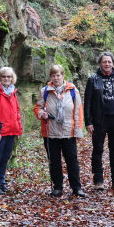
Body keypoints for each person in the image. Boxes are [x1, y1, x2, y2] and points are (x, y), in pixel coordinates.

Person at [34, 65, 86, 198]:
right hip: (50, 132)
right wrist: (41, 114)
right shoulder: (45, 91)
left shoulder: (73, 91)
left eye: (58, 75)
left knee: (72, 161)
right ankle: (57, 187)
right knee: (54, 161)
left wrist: (78, 131)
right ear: (51, 77)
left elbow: (78, 112)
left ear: (63, 75)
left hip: (68, 132)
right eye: (53, 75)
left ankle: (76, 187)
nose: (56, 78)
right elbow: (37, 108)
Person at [84, 51, 114, 190]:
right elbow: (88, 102)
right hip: (100, 121)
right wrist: (88, 121)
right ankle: (98, 182)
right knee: (97, 151)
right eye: (104, 61)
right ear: (100, 63)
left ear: (113, 63)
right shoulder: (93, 79)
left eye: (109, 62)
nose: (107, 64)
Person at [0, 67, 23, 195]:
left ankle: (1, 181)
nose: (7, 79)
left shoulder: (13, 92)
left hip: (12, 131)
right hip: (0, 132)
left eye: (9, 76)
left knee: (5, 158)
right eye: (4, 76)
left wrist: (18, 129)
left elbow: (17, 112)